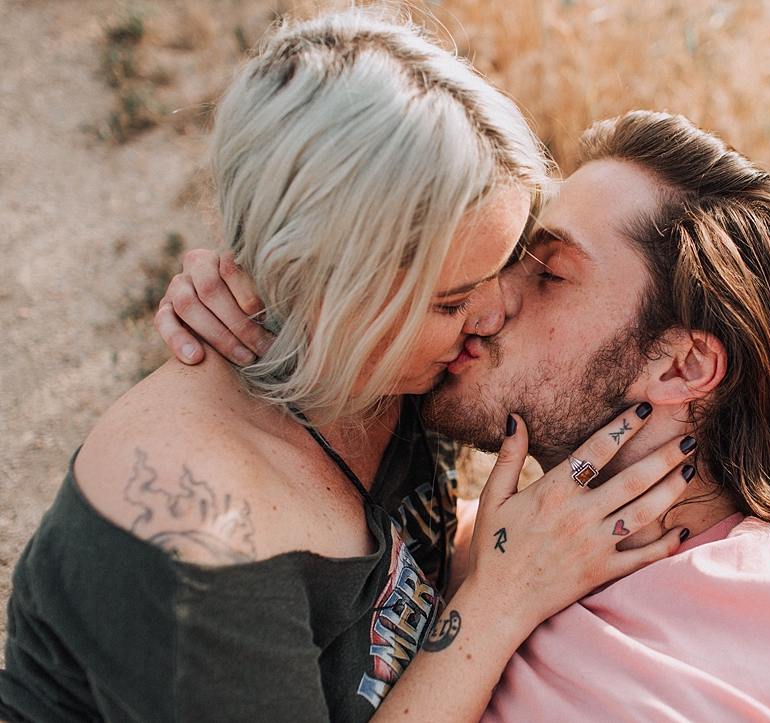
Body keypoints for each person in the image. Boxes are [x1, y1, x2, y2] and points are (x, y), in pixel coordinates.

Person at [163, 111, 770, 722]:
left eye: (548, 272)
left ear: (682, 364)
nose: (488, 301)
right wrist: (268, 303)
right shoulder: (455, 546)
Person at [0, 13, 696, 723]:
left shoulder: (381, 371)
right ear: (321, 285)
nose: (492, 315)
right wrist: (501, 600)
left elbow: (398, 569)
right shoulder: (191, 529)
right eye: (453, 299)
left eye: (503, 265)